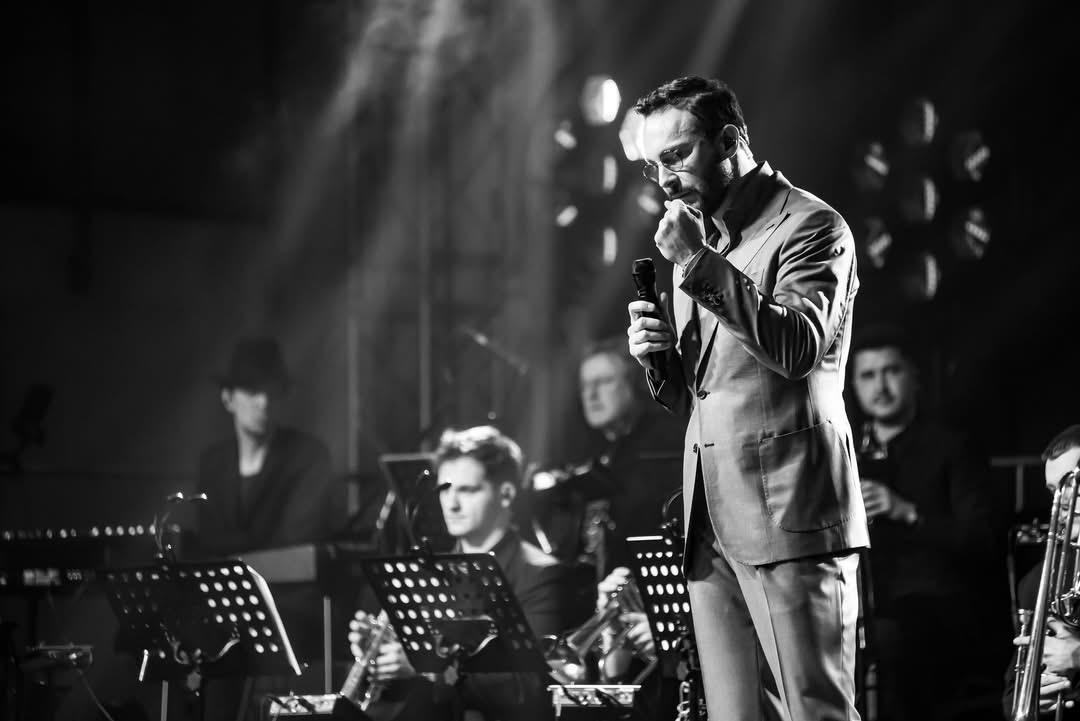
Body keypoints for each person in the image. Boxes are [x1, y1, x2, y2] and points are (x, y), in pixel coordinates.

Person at [625, 75, 868, 720]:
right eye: (653, 166)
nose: (665, 180)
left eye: (676, 156)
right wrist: (659, 360)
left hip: (790, 512)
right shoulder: (698, 240)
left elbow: (797, 348)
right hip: (711, 519)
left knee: (815, 711)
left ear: (729, 140)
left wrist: (697, 264)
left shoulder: (811, 225)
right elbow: (707, 393)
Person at [349, 425, 581, 721]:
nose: (452, 503)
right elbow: (415, 691)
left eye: (467, 490)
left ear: (506, 494)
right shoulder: (429, 571)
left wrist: (429, 669)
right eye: (445, 489)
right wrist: (380, 663)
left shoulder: (542, 575)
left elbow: (533, 690)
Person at [847, 322, 1003, 719]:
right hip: (862, 603)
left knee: (896, 644)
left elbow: (982, 540)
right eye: (868, 375)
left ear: (914, 377)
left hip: (938, 610)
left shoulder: (953, 447)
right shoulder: (845, 453)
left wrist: (907, 512)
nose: (880, 386)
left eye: (891, 371)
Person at [192, 337, 344, 720]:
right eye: (251, 391)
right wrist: (251, 554)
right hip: (225, 606)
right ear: (228, 398)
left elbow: (299, 545)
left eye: (271, 392)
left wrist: (232, 559)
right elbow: (208, 539)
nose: (263, 402)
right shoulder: (213, 463)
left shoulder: (309, 456)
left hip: (291, 606)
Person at [528, 336, 685, 578]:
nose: (591, 394)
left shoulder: (668, 447)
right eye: (584, 386)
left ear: (634, 384)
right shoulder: (583, 455)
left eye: (604, 382)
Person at [1003, 425, 1080, 719]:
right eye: (1055, 490)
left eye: (1074, 483)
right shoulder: (1037, 580)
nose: (1063, 500)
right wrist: (1034, 695)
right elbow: (1012, 696)